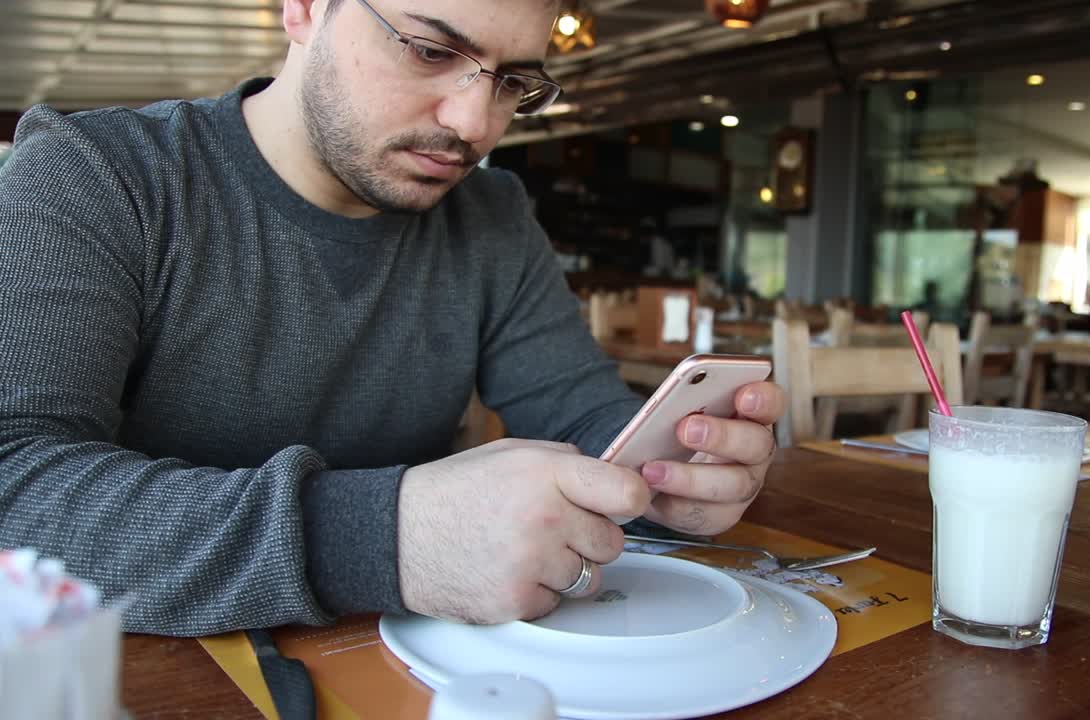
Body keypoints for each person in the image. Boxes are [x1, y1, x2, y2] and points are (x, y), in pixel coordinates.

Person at [0, 0, 783, 636]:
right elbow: (15, 487)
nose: (474, 123)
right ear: (303, 8)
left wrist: (671, 472)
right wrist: (382, 537)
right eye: (430, 50)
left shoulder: (492, 215)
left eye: (513, 81)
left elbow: (580, 413)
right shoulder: (95, 175)